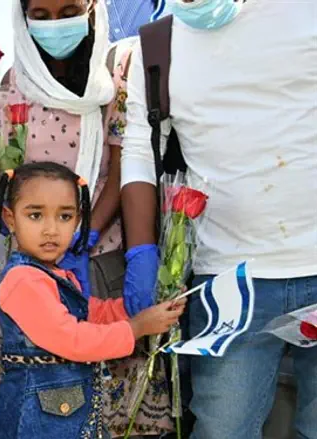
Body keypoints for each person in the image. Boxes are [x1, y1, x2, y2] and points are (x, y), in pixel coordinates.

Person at [0, 0, 172, 436]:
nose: (54, 25)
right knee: (44, 386)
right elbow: (12, 168)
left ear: (92, 9)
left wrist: (86, 231)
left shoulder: (115, 74)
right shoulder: (17, 82)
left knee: (109, 405)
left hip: (100, 252)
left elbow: (125, 164)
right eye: (40, 15)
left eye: (68, 11)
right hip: (34, 258)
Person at [121, 1, 317, 438]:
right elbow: (138, 153)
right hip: (229, 284)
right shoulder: (156, 48)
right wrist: (142, 252)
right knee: (222, 430)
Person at [0, 161, 185, 439]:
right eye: (35, 215)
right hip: (34, 422)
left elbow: (91, 312)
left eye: (64, 216)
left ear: (78, 219)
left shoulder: (53, 274)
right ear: (10, 218)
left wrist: (141, 310)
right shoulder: (23, 280)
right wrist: (136, 327)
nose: (51, 229)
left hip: (63, 415)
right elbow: (72, 339)